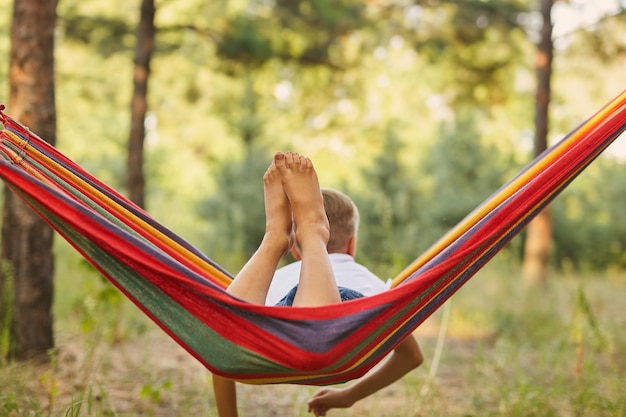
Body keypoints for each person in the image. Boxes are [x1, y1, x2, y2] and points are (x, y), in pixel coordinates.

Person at [212, 151, 423, 417]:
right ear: (352, 245)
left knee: (223, 328)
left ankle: (275, 237)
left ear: (296, 253)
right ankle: (311, 231)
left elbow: (217, 349)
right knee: (315, 326)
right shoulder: (370, 281)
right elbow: (411, 356)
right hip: (345, 327)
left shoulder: (278, 277)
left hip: (270, 331)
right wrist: (348, 396)